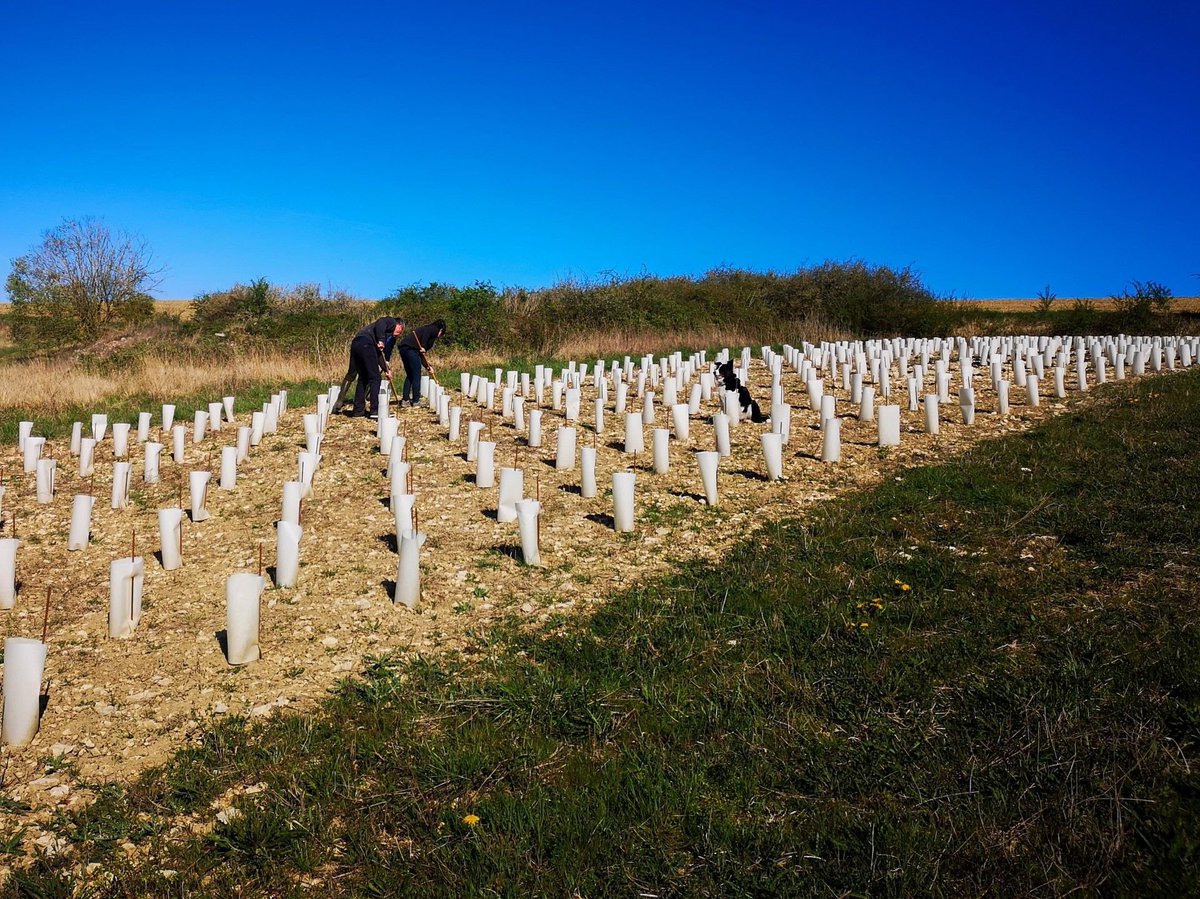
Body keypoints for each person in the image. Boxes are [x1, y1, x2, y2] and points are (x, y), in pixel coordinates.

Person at [346, 316, 404, 418]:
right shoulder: (391, 322)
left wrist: (387, 369)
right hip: (366, 344)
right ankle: (375, 410)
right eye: (400, 330)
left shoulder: (380, 335)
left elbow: (379, 355)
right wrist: (381, 340)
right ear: (398, 325)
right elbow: (380, 322)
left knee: (363, 378)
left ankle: (358, 411)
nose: (399, 334)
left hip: (357, 344)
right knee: (375, 378)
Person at [397, 319, 446, 406]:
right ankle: (416, 400)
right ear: (441, 330)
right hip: (411, 350)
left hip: (404, 348)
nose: (439, 336)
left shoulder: (429, 337)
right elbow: (422, 346)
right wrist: (423, 346)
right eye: (441, 334)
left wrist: (428, 367)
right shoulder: (433, 329)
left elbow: (422, 355)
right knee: (416, 374)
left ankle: (405, 400)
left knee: (410, 375)